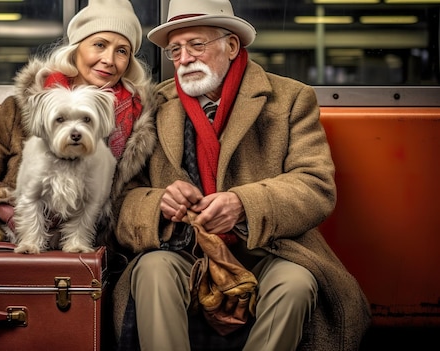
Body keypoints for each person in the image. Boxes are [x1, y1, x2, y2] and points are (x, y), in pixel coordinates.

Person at [111, 0, 372, 351]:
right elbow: (124, 197)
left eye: (196, 45)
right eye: (175, 49)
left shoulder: (290, 98)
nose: (184, 58)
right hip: (185, 250)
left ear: (231, 45)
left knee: (295, 284)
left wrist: (243, 204)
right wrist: (159, 202)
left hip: (273, 250)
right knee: (152, 270)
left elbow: (316, 185)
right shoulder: (154, 104)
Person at [0, 0, 157, 263]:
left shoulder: (141, 124)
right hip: (24, 258)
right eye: (99, 44)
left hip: (105, 259)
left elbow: (137, 195)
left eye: (122, 51)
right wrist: (5, 208)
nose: (109, 60)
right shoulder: (18, 111)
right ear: (76, 48)